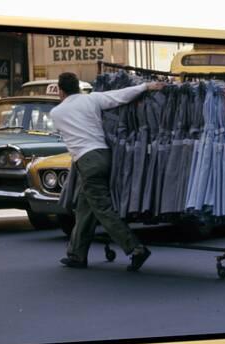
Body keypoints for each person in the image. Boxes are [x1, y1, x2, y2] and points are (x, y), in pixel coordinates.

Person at [50, 72, 166, 271]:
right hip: (104, 155)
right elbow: (119, 96)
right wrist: (145, 87)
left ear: (60, 91)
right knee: (86, 207)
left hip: (86, 161)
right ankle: (77, 254)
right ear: (78, 86)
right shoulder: (91, 99)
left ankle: (136, 249)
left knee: (103, 209)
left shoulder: (56, 113)